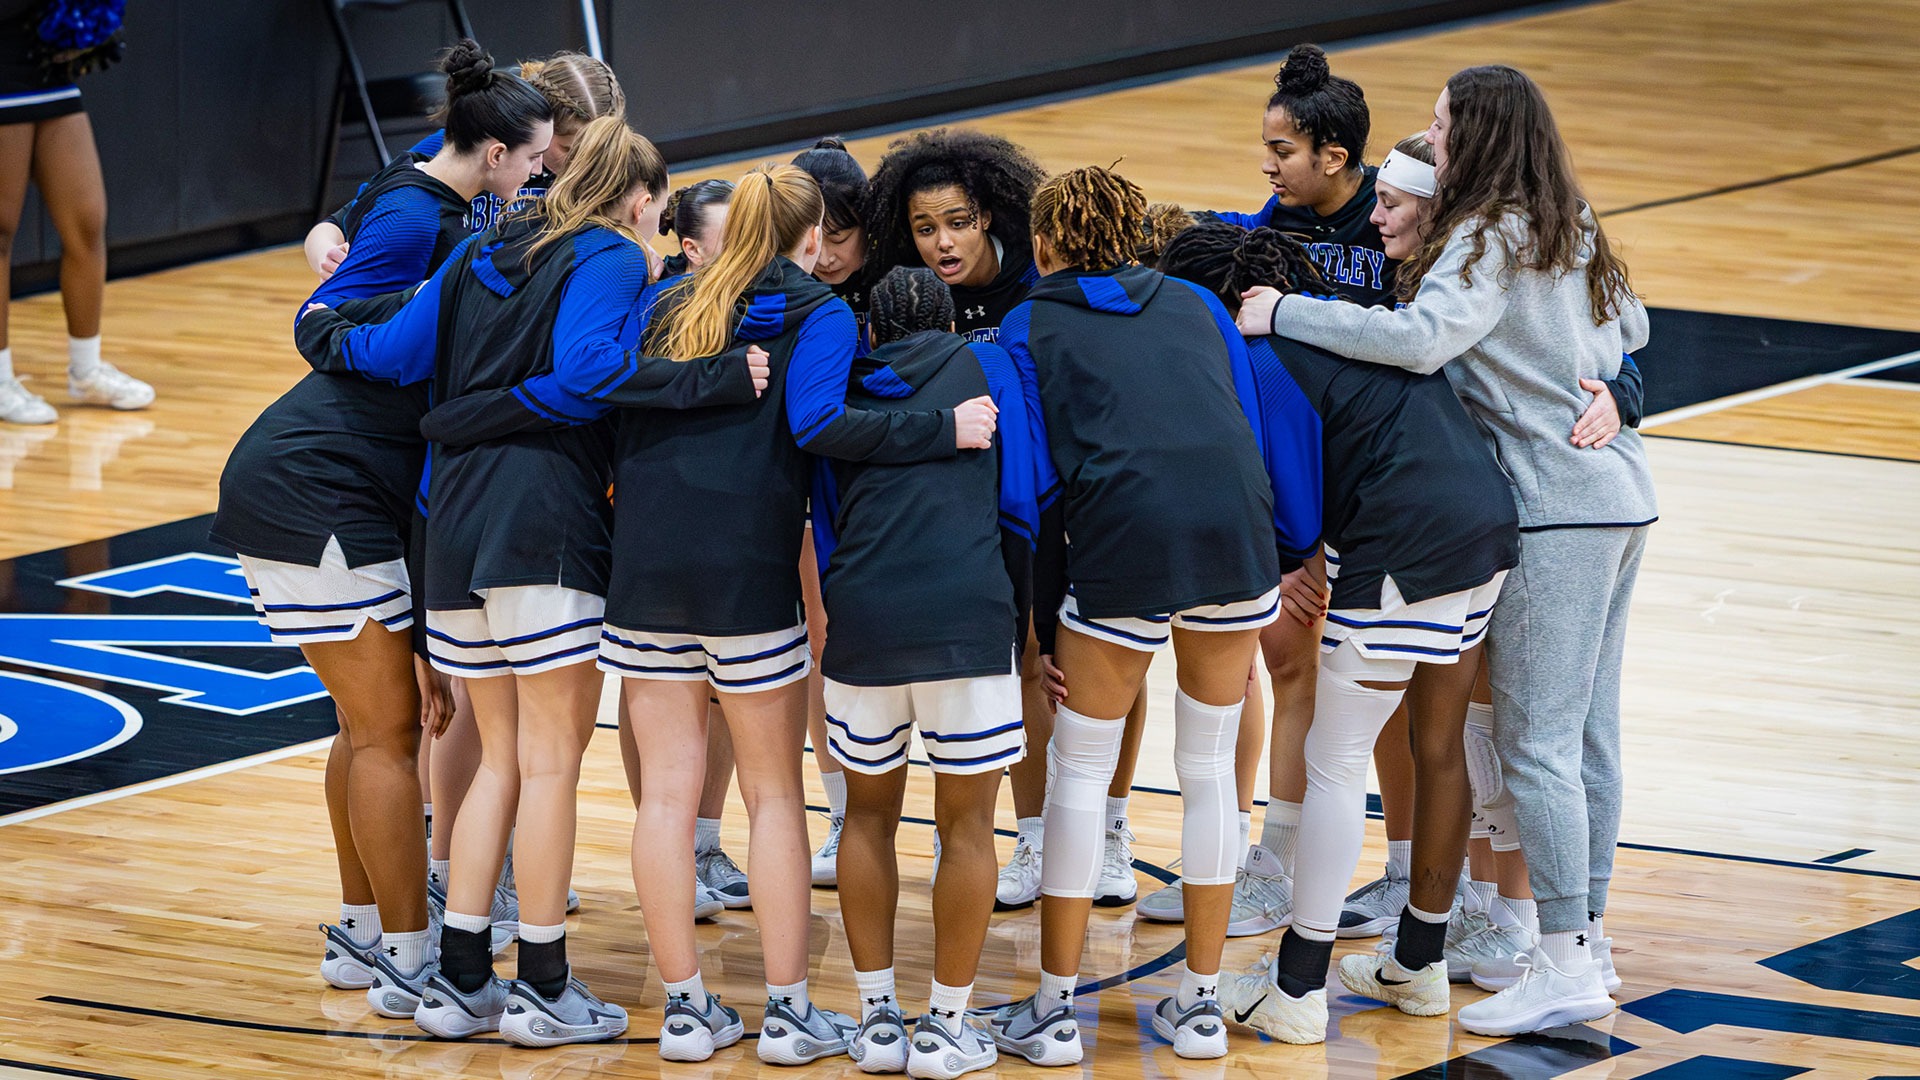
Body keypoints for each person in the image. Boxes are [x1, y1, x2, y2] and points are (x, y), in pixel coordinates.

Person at [296, 116, 756, 1047]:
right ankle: (543, 982)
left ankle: (461, 980)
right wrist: (698, 379)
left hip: (453, 532)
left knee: (494, 762)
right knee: (548, 763)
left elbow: (390, 355)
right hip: (542, 524)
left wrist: (321, 325)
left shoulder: (476, 253)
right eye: (659, 211)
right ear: (638, 199)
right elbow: (592, 372)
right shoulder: (614, 258)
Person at [1235, 64, 1654, 1037]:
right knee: (1585, 736)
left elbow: (1426, 339)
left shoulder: (1487, 229)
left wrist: (1285, 312)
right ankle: (1583, 939)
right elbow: (1629, 324)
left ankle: (1558, 958)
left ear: (1487, 135)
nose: (1432, 136)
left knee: (1538, 744)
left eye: (1441, 123)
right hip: (1622, 495)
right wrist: (1605, 384)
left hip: (1550, 507)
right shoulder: (1568, 220)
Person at [584, 164, 991, 1065]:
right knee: (773, 793)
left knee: (666, 796)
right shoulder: (821, 310)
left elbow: (608, 402)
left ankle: (687, 1011)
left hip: (645, 567)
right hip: (747, 577)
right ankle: (789, 1011)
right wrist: (939, 429)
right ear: (810, 239)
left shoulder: (665, 299)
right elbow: (818, 426)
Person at [208, 37, 550, 1013]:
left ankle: (363, 933)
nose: (535, 178)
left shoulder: (434, 192)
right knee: (393, 730)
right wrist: (349, 310)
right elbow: (330, 320)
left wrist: (329, 226)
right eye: (531, 160)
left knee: (368, 730)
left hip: (337, 482)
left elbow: (362, 211)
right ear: (492, 156)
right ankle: (409, 950)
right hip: (314, 485)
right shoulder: (426, 220)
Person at [1161, 216, 1520, 1044]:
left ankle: (1296, 988)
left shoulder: (1258, 358)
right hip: (1484, 523)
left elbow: (1293, 494)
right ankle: (1420, 965)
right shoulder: (1336, 324)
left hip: (1406, 538)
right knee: (1442, 745)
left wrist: (1293, 557)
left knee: (1334, 760)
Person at [983, 166, 1306, 1065]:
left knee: (1080, 772)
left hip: (1119, 539)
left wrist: (1035, 622)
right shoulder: (1200, 304)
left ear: (1042, 245)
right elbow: (1246, 422)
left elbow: (1032, 485)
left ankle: (1051, 1008)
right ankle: (1202, 1007)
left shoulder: (1027, 321)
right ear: (1135, 235)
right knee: (1207, 767)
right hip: (1231, 533)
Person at [818, 266, 1055, 1079]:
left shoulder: (839, 383)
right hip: (967, 613)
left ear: (872, 333)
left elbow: (822, 514)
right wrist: (1025, 622)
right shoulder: (989, 369)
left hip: (863, 617)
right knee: (966, 826)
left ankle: (878, 1020)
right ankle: (947, 1028)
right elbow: (1022, 502)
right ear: (955, 326)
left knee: (866, 819)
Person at [863, 127, 1060, 906]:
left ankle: (1076, 833)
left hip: (1041, 507)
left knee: (1051, 665)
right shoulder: (904, 297)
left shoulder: (1038, 289)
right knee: (1007, 674)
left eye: (957, 222)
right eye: (923, 228)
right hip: (952, 519)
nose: (941, 242)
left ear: (991, 216)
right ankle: (1026, 839)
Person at [305, 50, 626, 278]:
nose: (585, 162)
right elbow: (334, 225)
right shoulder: (452, 153)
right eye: (570, 148)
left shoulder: (598, 173)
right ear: (537, 124)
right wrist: (325, 256)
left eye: (599, 149)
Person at [789, 134, 874, 886]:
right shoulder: (781, 282)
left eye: (841, 240)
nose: (826, 256)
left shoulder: (896, 287)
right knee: (823, 646)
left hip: (883, 490)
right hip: (806, 491)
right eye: (812, 242)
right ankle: (841, 814)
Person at [0, 0, 152, 423]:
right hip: (3, 72)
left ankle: (85, 370)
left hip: (50, 73)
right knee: (0, 231)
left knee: (86, 222)